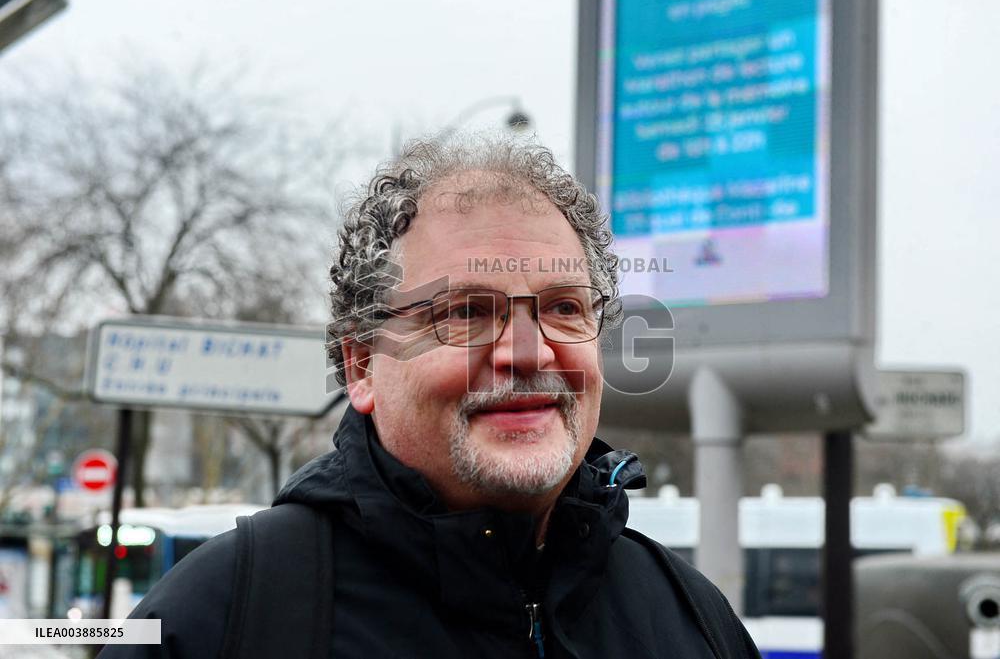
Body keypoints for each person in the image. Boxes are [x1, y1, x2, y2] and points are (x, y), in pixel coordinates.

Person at [100, 135, 760, 658]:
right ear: (362, 364)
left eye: (564, 307)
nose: (528, 352)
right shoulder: (217, 619)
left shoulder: (694, 620)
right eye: (468, 312)